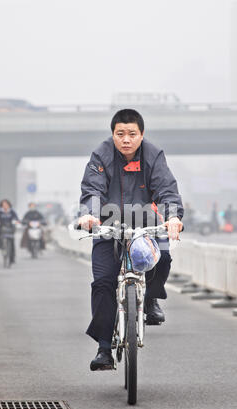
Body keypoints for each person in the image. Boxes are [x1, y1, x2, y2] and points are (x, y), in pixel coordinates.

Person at [78, 109, 184, 371]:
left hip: (147, 225)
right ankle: (104, 348)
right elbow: (92, 189)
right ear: (113, 134)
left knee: (164, 257)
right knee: (103, 283)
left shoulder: (153, 155)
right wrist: (90, 216)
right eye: (120, 134)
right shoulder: (101, 155)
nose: (126, 139)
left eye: (132, 134)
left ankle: (150, 300)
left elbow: (167, 190)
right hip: (108, 226)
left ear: (141, 135)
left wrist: (172, 218)